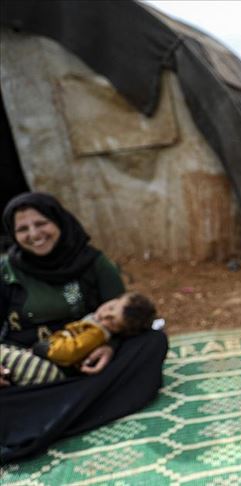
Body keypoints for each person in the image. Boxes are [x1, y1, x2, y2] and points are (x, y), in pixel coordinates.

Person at [0, 192, 168, 462]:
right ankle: (71, 409)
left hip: (84, 365)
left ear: (59, 221)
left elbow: (121, 314)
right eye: (22, 229)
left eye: (41, 223)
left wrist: (109, 348)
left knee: (152, 341)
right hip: (27, 364)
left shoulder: (94, 263)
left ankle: (53, 413)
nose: (34, 234)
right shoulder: (7, 270)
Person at [1, 292, 156, 386]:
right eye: (110, 308)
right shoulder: (92, 323)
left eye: (113, 321)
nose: (104, 316)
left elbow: (69, 352)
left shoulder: (96, 333)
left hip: (52, 366)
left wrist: (44, 349)